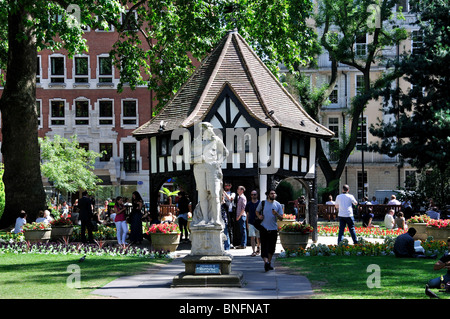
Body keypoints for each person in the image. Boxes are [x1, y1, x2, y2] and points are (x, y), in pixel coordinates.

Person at [190, 122, 229, 227]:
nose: (203, 131)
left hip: (212, 169)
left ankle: (215, 219)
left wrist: (218, 162)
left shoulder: (215, 140)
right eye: (201, 129)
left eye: (205, 129)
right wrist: (199, 158)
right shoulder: (196, 142)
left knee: (215, 193)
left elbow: (225, 152)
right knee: (202, 193)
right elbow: (190, 159)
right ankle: (205, 219)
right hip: (199, 168)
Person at [255, 189, 284, 272]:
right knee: (264, 246)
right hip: (264, 228)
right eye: (271, 193)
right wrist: (259, 216)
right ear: (268, 195)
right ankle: (266, 262)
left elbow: (281, 218)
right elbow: (256, 211)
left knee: (272, 247)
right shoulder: (263, 203)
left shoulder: (278, 205)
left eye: (274, 193)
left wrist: (276, 214)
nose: (273, 195)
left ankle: (269, 263)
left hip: (273, 229)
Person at [245, 190, 261, 256]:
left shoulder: (260, 203)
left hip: (259, 222)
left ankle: (258, 247)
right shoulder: (248, 204)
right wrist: (247, 223)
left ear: (257, 195)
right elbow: (247, 214)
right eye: (252, 194)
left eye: (254, 194)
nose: (253, 196)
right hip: (251, 222)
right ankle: (253, 251)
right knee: (252, 237)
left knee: (258, 237)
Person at [223, 182, 236, 247]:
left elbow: (230, 198)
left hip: (230, 212)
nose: (226, 187)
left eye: (228, 185)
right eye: (225, 186)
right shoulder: (222, 193)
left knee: (230, 227)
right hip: (223, 212)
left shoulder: (232, 193)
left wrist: (223, 192)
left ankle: (231, 242)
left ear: (230, 186)